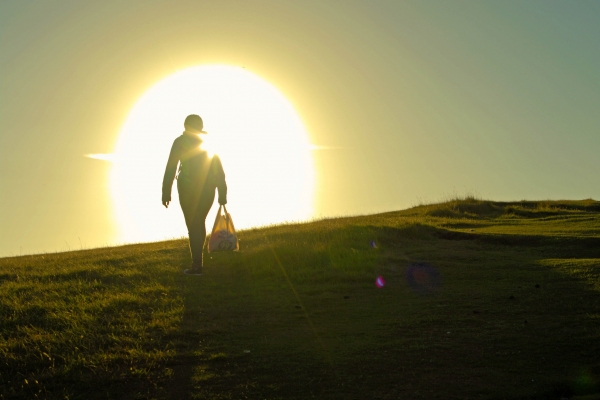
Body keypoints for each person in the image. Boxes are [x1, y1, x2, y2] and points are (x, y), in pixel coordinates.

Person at [162, 114, 227, 275]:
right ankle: (199, 262)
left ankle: (197, 266)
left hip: (187, 188)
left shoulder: (180, 142)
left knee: (194, 225)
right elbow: (218, 168)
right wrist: (222, 192)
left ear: (185, 126)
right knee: (199, 222)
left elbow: (171, 167)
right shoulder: (207, 141)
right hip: (208, 188)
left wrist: (165, 192)